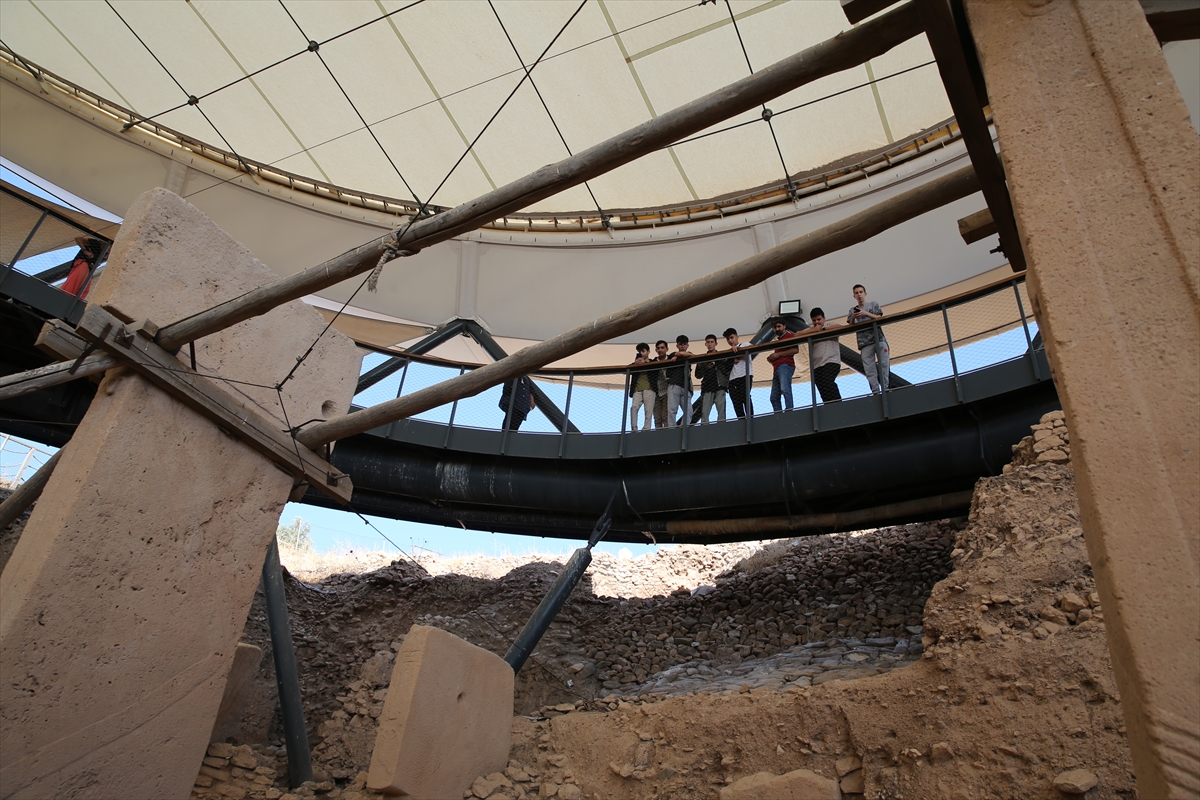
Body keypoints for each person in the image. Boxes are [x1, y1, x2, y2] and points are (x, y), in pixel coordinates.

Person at [847, 284, 889, 394]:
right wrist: (853, 317)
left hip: (879, 339)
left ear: (865, 294)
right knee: (869, 369)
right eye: (856, 293)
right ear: (854, 296)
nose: (859, 294)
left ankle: (886, 388)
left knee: (884, 364)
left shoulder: (873, 304)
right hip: (864, 343)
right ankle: (875, 390)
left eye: (861, 292)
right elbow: (850, 327)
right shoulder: (852, 310)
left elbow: (879, 317)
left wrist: (866, 313)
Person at [806, 307, 843, 403]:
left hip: (831, 360)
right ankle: (828, 406)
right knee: (821, 387)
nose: (817, 322)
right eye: (814, 320)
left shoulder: (830, 325)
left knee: (827, 381)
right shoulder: (811, 330)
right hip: (816, 365)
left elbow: (841, 326)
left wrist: (823, 329)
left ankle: (838, 404)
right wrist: (814, 330)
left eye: (819, 319)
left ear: (824, 318)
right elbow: (797, 334)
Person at [766, 317, 799, 412]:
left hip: (785, 366)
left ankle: (789, 410)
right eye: (775, 327)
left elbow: (795, 350)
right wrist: (772, 358)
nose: (777, 329)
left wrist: (777, 354)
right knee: (773, 397)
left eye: (778, 326)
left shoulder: (789, 336)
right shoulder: (780, 339)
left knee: (785, 389)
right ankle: (779, 415)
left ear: (784, 326)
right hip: (777, 368)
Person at [694, 334, 727, 424]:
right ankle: (705, 429)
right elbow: (697, 375)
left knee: (721, 410)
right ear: (705, 344)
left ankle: (721, 427)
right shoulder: (703, 358)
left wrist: (718, 363)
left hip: (719, 385)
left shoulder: (722, 356)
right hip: (707, 386)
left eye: (712, 342)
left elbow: (727, 370)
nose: (710, 344)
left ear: (716, 343)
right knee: (705, 412)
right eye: (708, 342)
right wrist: (706, 368)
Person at [664, 335, 694, 427]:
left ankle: (683, 428)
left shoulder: (689, 354)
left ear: (687, 345)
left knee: (689, 411)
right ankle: (672, 429)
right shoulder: (672, 354)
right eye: (681, 344)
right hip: (674, 384)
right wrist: (678, 355)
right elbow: (678, 354)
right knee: (672, 410)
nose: (683, 346)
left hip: (686, 387)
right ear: (677, 345)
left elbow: (689, 355)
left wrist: (680, 355)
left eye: (685, 344)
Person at [723, 327, 754, 419]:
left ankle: (750, 419)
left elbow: (751, 349)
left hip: (745, 375)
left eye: (732, 337)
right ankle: (741, 420)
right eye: (728, 339)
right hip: (732, 379)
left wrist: (737, 351)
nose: (730, 340)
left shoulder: (745, 344)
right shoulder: (729, 352)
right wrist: (733, 358)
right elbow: (726, 367)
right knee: (736, 401)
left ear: (737, 337)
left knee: (745, 396)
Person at [628, 343, 655, 431]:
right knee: (634, 408)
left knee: (648, 410)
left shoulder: (652, 362)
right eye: (639, 352)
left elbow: (656, 370)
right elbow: (626, 370)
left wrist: (645, 363)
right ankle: (634, 428)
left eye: (643, 351)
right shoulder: (635, 363)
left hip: (649, 389)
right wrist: (635, 364)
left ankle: (646, 429)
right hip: (637, 390)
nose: (642, 353)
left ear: (648, 352)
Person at [650, 340, 672, 429]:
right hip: (656, 392)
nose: (660, 350)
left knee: (665, 416)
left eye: (662, 348)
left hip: (667, 391)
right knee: (657, 418)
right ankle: (658, 436)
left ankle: (667, 435)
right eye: (658, 348)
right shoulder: (653, 362)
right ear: (656, 350)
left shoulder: (671, 359)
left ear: (667, 349)